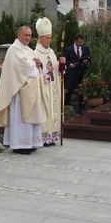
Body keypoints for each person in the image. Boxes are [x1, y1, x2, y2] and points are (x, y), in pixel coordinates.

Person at [0, 26, 46, 154]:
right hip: (19, 91)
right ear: (19, 35)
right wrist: (33, 64)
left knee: (30, 117)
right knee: (19, 118)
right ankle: (19, 144)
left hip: (31, 90)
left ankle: (30, 142)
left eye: (29, 35)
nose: (28, 38)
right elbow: (20, 67)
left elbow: (33, 65)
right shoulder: (14, 49)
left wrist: (39, 64)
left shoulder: (29, 50)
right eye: (25, 35)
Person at [33, 17, 63, 146]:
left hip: (53, 88)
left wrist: (61, 64)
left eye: (50, 37)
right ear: (40, 38)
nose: (49, 40)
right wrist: (45, 68)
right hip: (44, 89)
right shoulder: (35, 53)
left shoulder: (51, 52)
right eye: (47, 38)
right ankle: (44, 136)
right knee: (46, 111)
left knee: (54, 111)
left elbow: (56, 70)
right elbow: (36, 72)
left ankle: (52, 136)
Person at [64, 33, 91, 112]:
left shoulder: (86, 49)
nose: (81, 44)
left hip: (82, 73)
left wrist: (87, 62)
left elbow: (89, 60)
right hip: (72, 73)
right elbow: (66, 61)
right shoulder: (69, 49)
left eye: (82, 42)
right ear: (75, 41)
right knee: (69, 90)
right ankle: (66, 107)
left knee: (82, 91)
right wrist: (70, 65)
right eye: (79, 42)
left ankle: (81, 109)